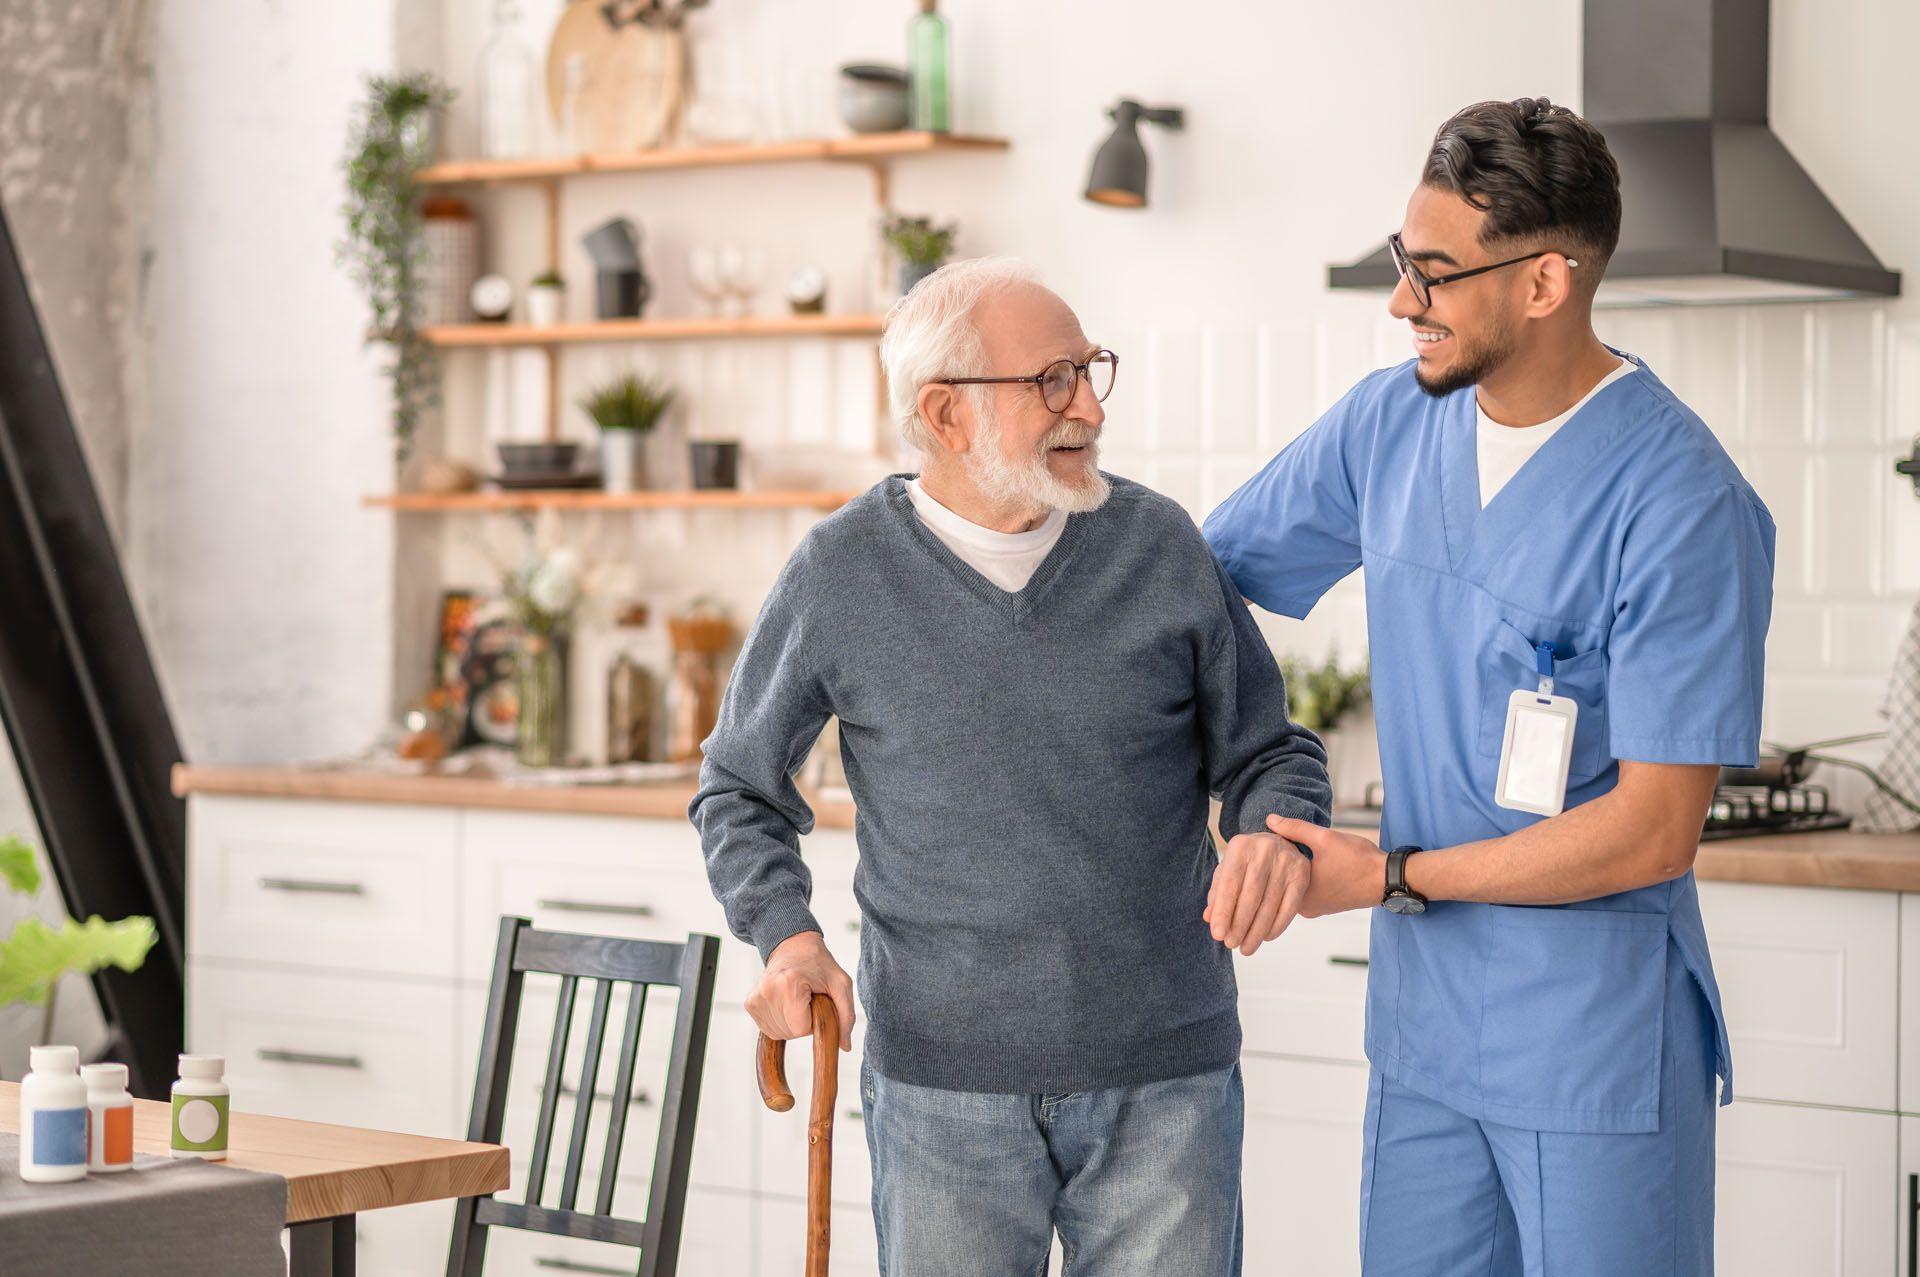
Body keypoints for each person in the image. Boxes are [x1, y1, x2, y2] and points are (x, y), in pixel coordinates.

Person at [1203, 97, 1774, 1277]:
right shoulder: (1387, 428)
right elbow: (1196, 584)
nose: (1404, 299)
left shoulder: (1680, 500)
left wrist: (1393, 873)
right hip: (1425, 1043)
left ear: (1545, 284)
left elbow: (1656, 829)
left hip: (1593, 1050)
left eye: (1437, 272)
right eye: (1404, 261)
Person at [691, 256, 1331, 1276]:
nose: (1088, 406)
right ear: (945, 414)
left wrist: (1272, 825)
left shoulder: (1158, 544)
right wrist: (786, 935)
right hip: (943, 1088)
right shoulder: (841, 570)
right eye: (1052, 380)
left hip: (1167, 1077)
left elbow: (1270, 750)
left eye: (1089, 370)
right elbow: (738, 787)